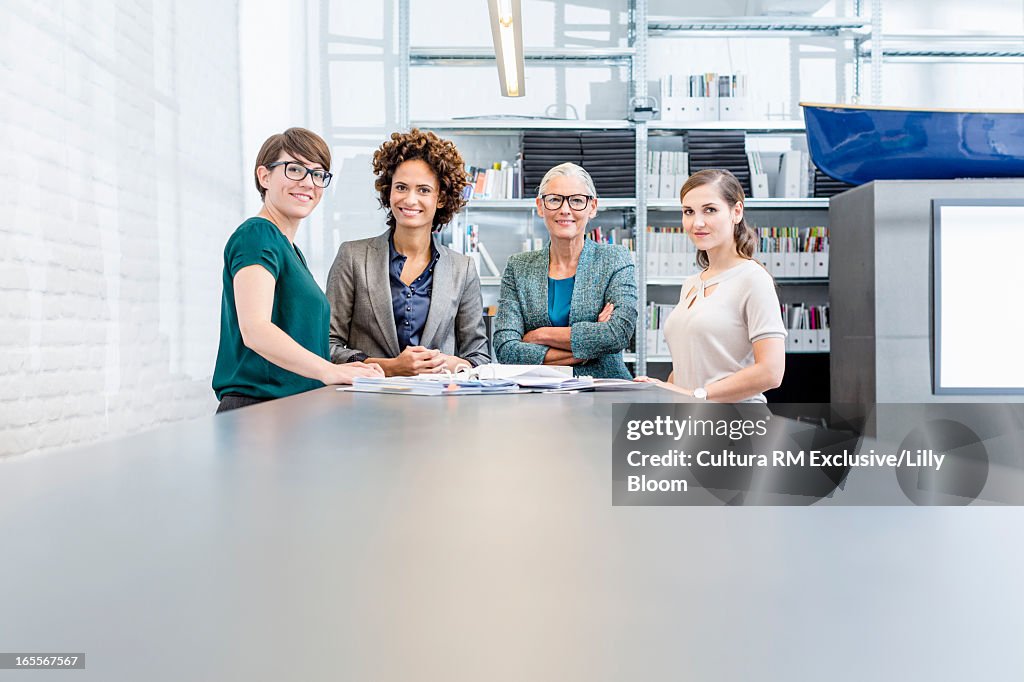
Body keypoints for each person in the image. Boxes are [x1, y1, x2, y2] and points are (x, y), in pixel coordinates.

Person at [212, 128, 383, 413]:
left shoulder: (290, 250)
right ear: (264, 176)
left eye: (318, 174)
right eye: (294, 170)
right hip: (260, 414)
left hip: (289, 414)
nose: (308, 182)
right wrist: (330, 371)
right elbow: (255, 329)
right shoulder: (257, 235)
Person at [326, 129, 489, 375]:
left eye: (423, 190)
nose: (410, 199)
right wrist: (391, 368)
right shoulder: (353, 256)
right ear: (388, 191)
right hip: (365, 403)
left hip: (439, 406)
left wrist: (453, 363)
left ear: (441, 198)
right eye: (401, 187)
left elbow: (478, 355)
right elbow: (326, 345)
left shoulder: (462, 268)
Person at [640, 169, 785, 403]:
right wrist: (662, 390)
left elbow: (771, 372)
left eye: (710, 210)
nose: (697, 222)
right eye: (688, 212)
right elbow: (691, 368)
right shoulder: (690, 285)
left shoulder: (753, 279)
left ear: (736, 212)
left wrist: (698, 395)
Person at [493, 162, 637, 379]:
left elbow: (618, 334)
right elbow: (505, 348)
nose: (565, 209)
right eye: (554, 199)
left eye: (577, 200)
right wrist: (587, 349)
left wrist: (540, 335)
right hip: (537, 394)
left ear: (593, 207)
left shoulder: (614, 259)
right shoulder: (518, 267)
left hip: (603, 390)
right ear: (540, 206)